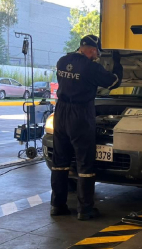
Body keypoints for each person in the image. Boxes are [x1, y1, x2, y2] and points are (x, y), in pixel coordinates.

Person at [50, 35, 123, 220]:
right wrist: (117, 63)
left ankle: (57, 205)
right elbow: (113, 82)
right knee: (85, 162)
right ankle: (85, 209)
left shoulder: (62, 61)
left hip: (61, 112)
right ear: (91, 49)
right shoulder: (91, 67)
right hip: (80, 115)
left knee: (60, 162)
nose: (97, 56)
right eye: (97, 52)